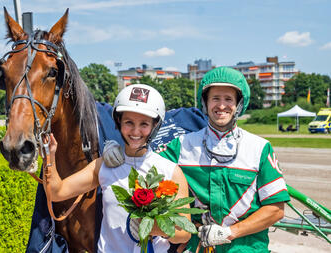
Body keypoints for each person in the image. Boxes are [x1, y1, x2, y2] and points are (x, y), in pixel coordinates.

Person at [103, 67, 290, 253]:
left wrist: (229, 233)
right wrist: (117, 148)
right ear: (205, 103)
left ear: (239, 105)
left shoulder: (260, 148)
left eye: (228, 99)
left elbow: (275, 209)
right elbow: (143, 162)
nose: (221, 105)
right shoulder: (181, 146)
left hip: (247, 249)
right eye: (215, 98)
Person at [44, 84, 191, 253]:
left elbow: (185, 233)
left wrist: (154, 228)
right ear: (118, 122)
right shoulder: (102, 166)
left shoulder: (171, 171)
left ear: (155, 126)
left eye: (144, 124)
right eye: (129, 122)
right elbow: (57, 192)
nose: (136, 131)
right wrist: (50, 155)